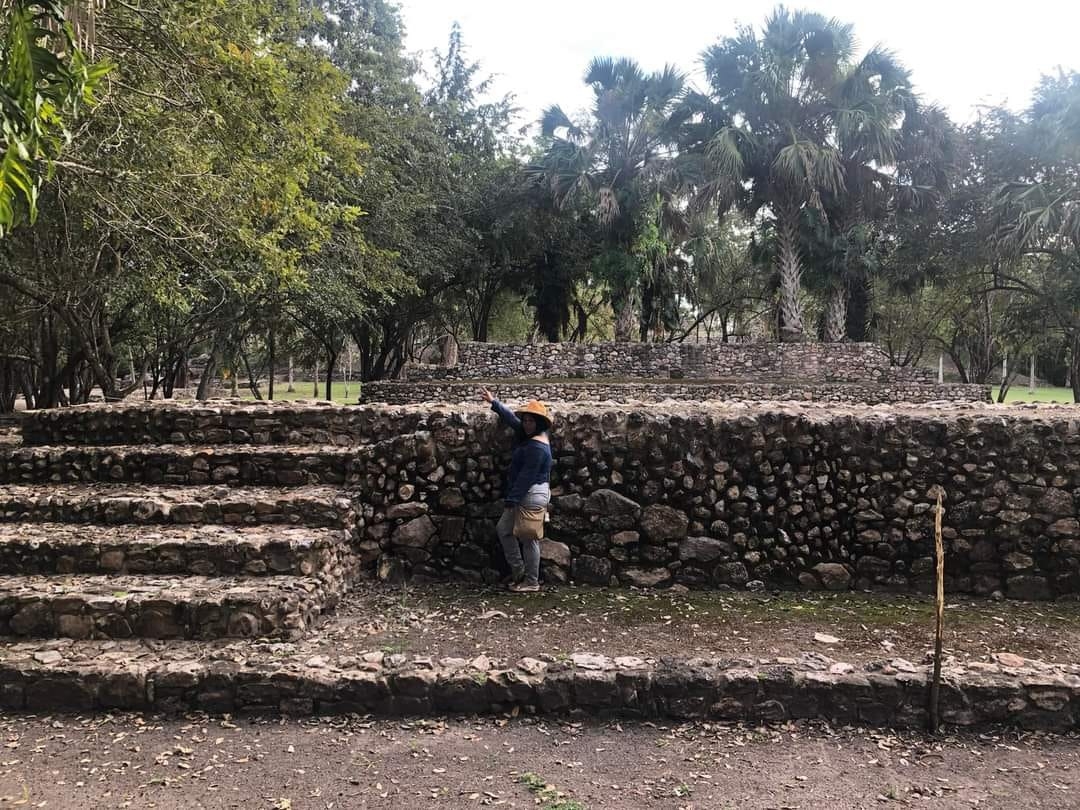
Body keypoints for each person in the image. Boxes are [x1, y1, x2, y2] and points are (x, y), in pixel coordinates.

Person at [479, 388, 552, 593]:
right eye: (526, 420)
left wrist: (512, 499)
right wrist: (495, 403)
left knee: (529, 538)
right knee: (506, 530)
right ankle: (520, 572)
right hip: (530, 493)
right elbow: (513, 421)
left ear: (538, 423)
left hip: (530, 494)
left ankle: (531, 581)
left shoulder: (537, 448)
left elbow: (526, 476)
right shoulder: (533, 436)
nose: (527, 424)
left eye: (531, 421)